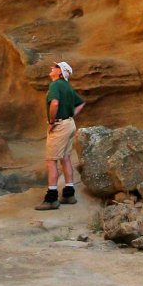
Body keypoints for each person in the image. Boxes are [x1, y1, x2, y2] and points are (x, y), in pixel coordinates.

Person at [37, 60, 86, 210]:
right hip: (69, 124)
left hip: (59, 125)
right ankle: (69, 194)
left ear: (60, 72)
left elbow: (55, 103)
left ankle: (51, 198)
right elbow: (81, 103)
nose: (52, 67)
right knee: (65, 158)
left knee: (51, 160)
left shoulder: (55, 85)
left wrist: (52, 121)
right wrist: (71, 115)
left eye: (56, 67)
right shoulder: (67, 87)